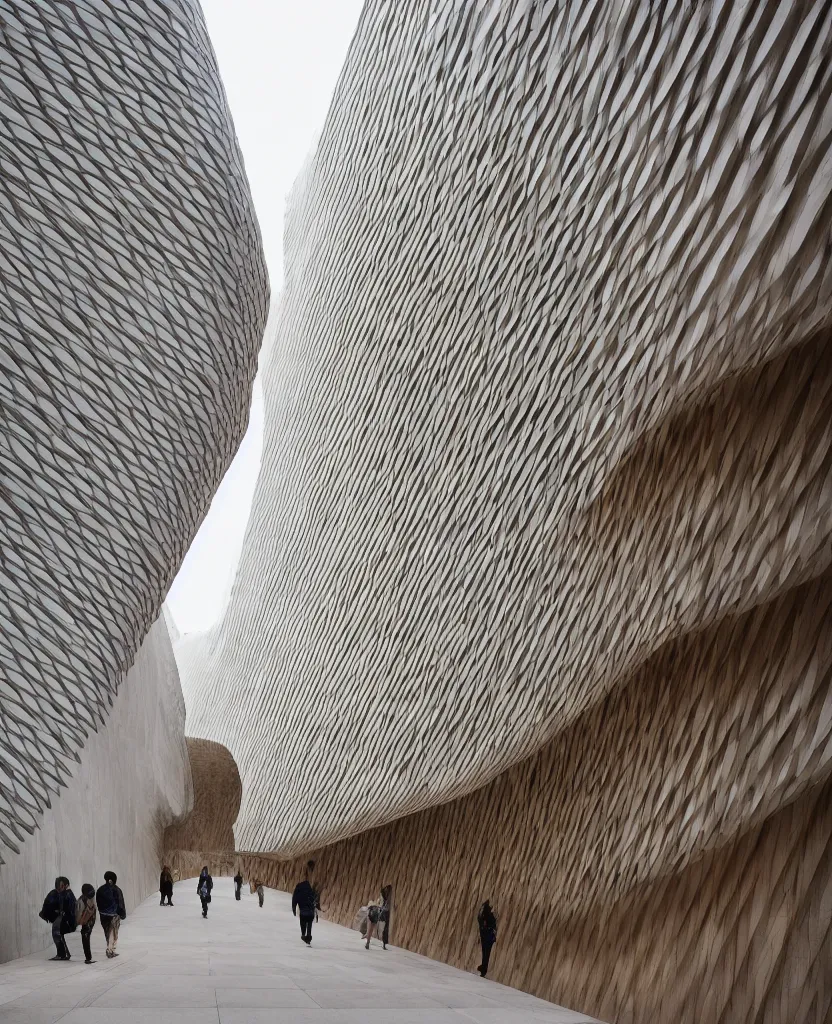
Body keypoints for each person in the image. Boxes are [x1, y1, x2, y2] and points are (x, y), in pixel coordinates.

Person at [39, 877, 76, 961]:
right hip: (62, 918)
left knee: (57, 933)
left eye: (61, 885)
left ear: (66, 885)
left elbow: (70, 908)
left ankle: (62, 954)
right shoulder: (62, 893)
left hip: (63, 918)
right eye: (58, 885)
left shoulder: (67, 894)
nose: (59, 888)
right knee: (58, 934)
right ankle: (63, 954)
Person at [96, 870, 126, 959]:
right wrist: (122, 913)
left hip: (103, 915)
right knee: (114, 933)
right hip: (114, 915)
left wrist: (102, 911)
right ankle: (110, 950)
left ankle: (110, 949)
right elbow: (120, 903)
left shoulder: (100, 890)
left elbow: (98, 902)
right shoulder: (117, 890)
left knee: (107, 932)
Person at [292, 869, 320, 945]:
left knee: (303, 922)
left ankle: (304, 935)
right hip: (311, 911)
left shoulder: (298, 890)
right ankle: (309, 936)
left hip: (303, 911)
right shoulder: (310, 890)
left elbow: (294, 900)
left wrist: (294, 909)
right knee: (309, 923)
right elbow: (315, 898)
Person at [77, 883, 97, 964]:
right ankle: (88, 958)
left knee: (86, 938)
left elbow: (78, 913)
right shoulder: (86, 899)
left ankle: (88, 957)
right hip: (88, 922)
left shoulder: (82, 899)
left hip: (88, 922)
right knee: (86, 938)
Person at [477, 900, 497, 977]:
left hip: (487, 936)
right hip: (488, 936)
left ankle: (484, 968)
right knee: (486, 952)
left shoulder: (486, 916)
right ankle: (483, 968)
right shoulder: (488, 916)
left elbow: (492, 926)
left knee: (485, 952)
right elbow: (493, 926)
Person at [379, 884, 392, 950]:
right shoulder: (385, 897)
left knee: (384, 928)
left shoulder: (383, 895)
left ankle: (384, 944)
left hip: (383, 911)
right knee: (385, 928)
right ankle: (384, 944)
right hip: (385, 912)